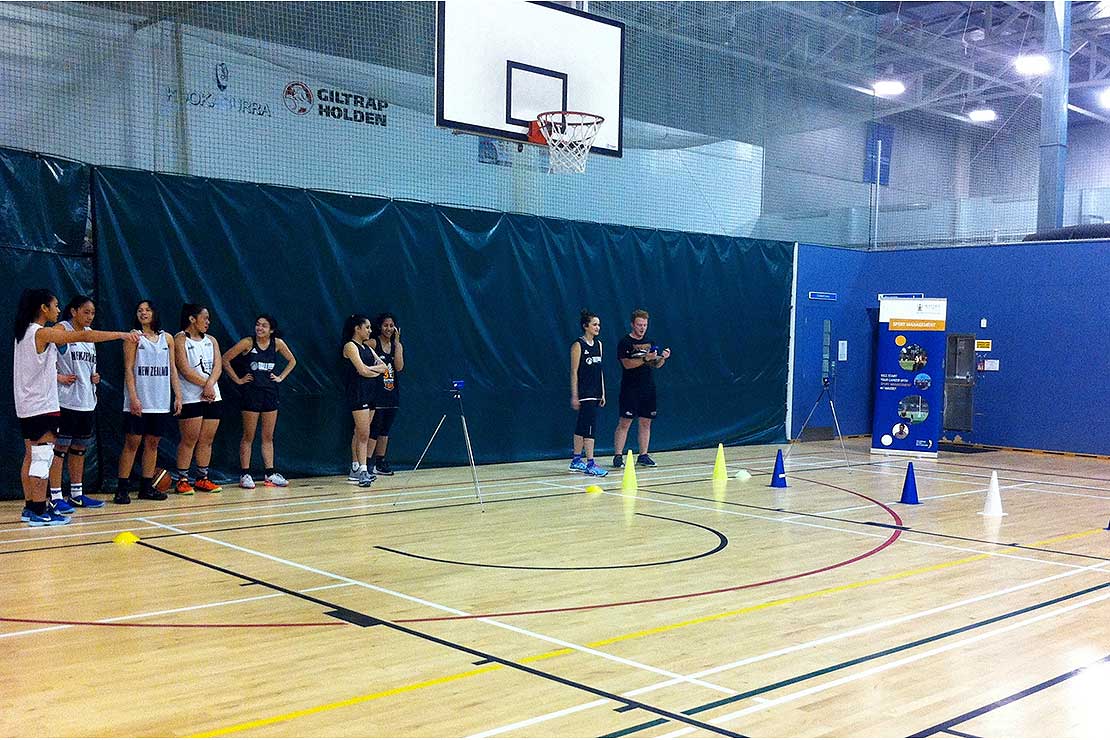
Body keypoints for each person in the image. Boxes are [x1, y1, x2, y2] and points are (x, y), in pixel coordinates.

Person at [13, 288, 137, 527]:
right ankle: (39, 510)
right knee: (41, 457)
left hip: (27, 404)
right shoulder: (41, 333)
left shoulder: (24, 333)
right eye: (55, 305)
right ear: (43, 308)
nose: (58, 310)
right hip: (41, 404)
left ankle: (30, 507)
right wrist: (121, 334)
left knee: (30, 456)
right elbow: (84, 337)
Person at [117, 299, 182, 504]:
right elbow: (128, 369)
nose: (143, 313)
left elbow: (172, 369)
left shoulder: (167, 339)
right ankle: (122, 488)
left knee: (153, 444)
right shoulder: (133, 338)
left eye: (147, 310)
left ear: (155, 313)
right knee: (132, 443)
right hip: (138, 400)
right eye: (139, 310)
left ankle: (146, 487)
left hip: (160, 400)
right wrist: (134, 397)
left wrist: (178, 395)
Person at [222, 314, 298, 489]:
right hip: (251, 393)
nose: (260, 328)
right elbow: (225, 359)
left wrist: (280, 377)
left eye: (264, 326)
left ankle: (270, 473)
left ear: (271, 330)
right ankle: (245, 474)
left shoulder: (277, 343)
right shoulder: (248, 343)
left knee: (268, 436)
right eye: (258, 324)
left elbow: (292, 360)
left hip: (270, 392)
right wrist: (238, 380)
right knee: (248, 435)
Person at [47, 296, 105, 511]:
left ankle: (77, 494)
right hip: (65, 400)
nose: (90, 316)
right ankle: (55, 495)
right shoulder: (61, 330)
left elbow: (86, 365)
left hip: (86, 400)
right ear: (73, 311)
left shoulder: (90, 336)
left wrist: (94, 376)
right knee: (59, 448)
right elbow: (41, 362)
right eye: (86, 312)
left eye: (92, 313)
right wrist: (58, 377)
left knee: (79, 448)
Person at [174, 303, 223, 494]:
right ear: (192, 319)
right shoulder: (180, 339)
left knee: (207, 439)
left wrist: (210, 385)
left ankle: (202, 477)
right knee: (189, 439)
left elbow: (217, 366)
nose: (208, 322)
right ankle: (182, 479)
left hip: (212, 396)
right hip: (190, 396)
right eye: (205, 318)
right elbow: (184, 369)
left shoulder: (211, 340)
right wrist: (206, 384)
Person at [612, 308, 671, 469]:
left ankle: (643, 455)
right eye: (639, 324)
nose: (642, 327)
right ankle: (618, 456)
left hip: (648, 387)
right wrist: (645, 358)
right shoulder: (625, 342)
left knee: (646, 422)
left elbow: (655, 364)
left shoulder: (650, 342)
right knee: (625, 422)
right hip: (630, 388)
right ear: (632, 324)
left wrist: (662, 358)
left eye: (645, 324)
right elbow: (627, 364)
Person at [342, 314, 386, 487]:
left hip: (371, 393)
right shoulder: (350, 346)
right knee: (363, 433)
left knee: (360, 433)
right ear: (357, 328)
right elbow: (361, 371)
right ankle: (362, 470)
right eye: (366, 327)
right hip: (358, 393)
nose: (370, 330)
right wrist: (372, 370)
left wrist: (371, 369)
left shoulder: (367, 348)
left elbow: (383, 367)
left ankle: (355, 468)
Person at [569, 309, 607, 477]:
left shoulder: (599, 345)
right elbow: (574, 372)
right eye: (594, 324)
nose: (598, 327)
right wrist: (575, 395)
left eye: (599, 324)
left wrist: (603, 392)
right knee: (589, 429)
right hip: (585, 393)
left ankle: (576, 460)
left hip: (596, 392)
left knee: (581, 427)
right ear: (586, 326)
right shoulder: (578, 345)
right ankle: (591, 463)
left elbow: (600, 371)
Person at [368, 312, 403, 476]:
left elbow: (399, 367)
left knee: (385, 430)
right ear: (379, 327)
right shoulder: (374, 343)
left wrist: (397, 343)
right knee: (373, 429)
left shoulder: (397, 345)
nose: (388, 328)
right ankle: (367, 462)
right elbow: (359, 347)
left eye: (391, 325)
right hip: (376, 394)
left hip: (392, 394)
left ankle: (379, 461)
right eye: (385, 325)